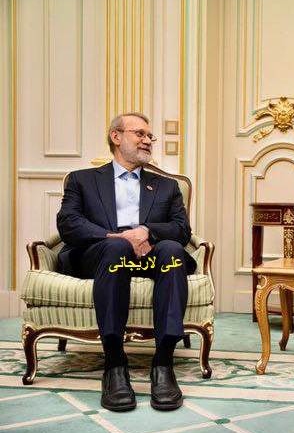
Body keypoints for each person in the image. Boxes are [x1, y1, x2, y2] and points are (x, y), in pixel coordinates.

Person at [57, 112, 197, 412]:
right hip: (102, 254)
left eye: (150, 136)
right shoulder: (82, 180)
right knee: (116, 247)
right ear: (116, 137)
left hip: (150, 255)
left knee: (172, 251)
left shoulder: (167, 186)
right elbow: (68, 223)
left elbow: (182, 229)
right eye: (140, 134)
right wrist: (116, 237)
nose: (147, 140)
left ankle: (163, 364)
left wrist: (146, 231)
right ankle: (114, 365)